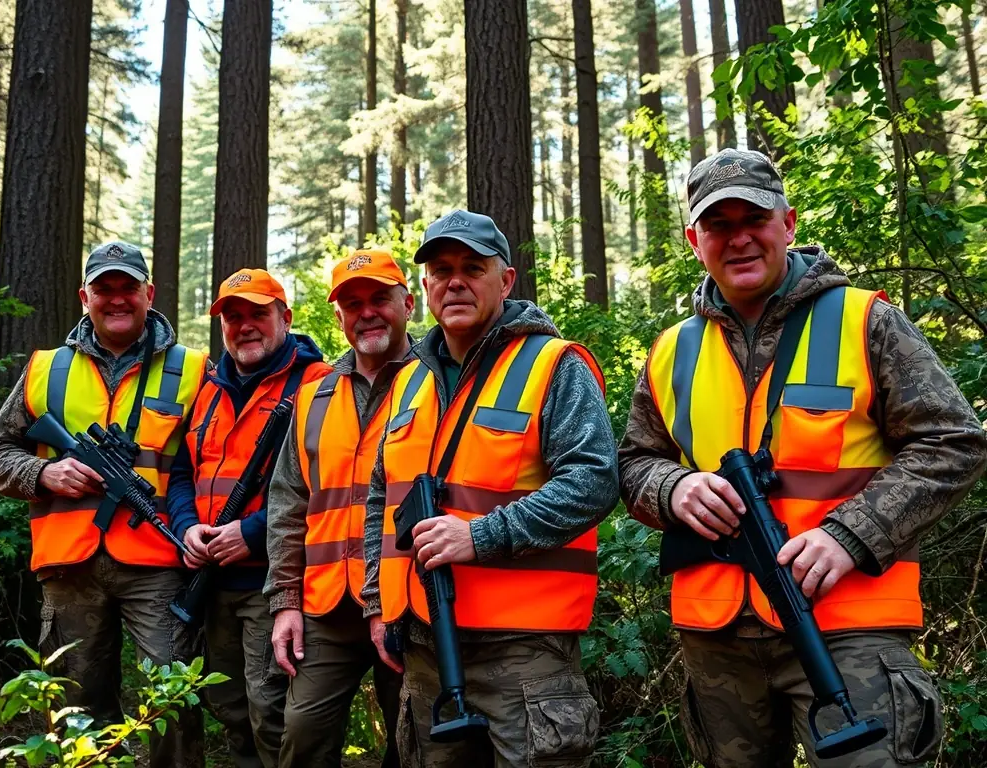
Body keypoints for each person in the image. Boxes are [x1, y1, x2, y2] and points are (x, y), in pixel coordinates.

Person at [618, 148, 987, 767]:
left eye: (754, 220)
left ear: (787, 224)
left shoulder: (865, 321)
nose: (738, 239)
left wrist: (851, 534)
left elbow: (954, 441)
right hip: (718, 639)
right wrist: (673, 489)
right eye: (719, 225)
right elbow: (632, 463)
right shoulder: (671, 351)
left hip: (847, 626)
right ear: (693, 239)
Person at [363, 210, 618, 767]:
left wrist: (481, 535)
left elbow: (595, 481)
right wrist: (380, 603)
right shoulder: (409, 379)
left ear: (504, 282)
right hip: (427, 645)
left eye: (472, 268)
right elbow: (383, 496)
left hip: (525, 653)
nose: (454, 281)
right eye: (441, 269)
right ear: (424, 287)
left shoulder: (555, 365)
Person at [0, 241, 208, 768]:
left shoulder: (195, 369)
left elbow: (216, 460)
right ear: (85, 297)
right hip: (68, 567)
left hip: (159, 565)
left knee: (172, 701)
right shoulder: (44, 369)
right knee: (73, 705)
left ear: (149, 294)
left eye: (128, 287)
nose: (116, 299)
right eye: (104, 289)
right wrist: (44, 472)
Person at [167, 268, 330, 768]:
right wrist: (186, 528)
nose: (245, 326)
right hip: (211, 581)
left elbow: (329, 484)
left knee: (273, 712)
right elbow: (180, 474)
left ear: (286, 317)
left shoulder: (318, 386)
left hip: (276, 582)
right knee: (230, 707)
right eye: (232, 317)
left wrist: (253, 534)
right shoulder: (208, 388)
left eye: (258, 313)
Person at [264, 250, 413, 768]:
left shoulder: (435, 383)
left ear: (408, 304)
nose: (366, 313)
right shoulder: (314, 396)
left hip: (407, 601)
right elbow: (288, 501)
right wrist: (285, 599)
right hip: (326, 605)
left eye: (379, 299)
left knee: (415, 740)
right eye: (353, 304)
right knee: (302, 735)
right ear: (339, 317)